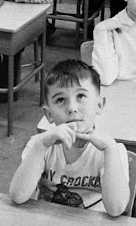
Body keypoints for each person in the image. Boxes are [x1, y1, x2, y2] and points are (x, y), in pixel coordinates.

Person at [9, 59, 129, 216]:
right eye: (60, 100)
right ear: (49, 114)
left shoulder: (112, 151)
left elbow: (116, 209)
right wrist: (41, 146)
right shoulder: (39, 145)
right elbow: (18, 196)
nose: (72, 108)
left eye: (81, 96)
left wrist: (110, 149)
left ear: (99, 105)